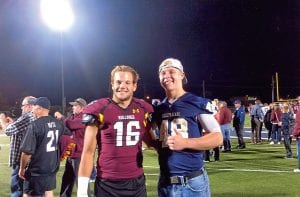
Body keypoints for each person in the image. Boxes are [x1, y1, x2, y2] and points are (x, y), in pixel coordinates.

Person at [77, 65, 154, 197]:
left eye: (127, 82)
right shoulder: (100, 109)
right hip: (107, 184)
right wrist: (82, 190)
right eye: (118, 82)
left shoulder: (144, 109)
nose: (122, 86)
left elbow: (151, 142)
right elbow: (88, 152)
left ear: (134, 86)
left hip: (136, 182)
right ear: (112, 84)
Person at [152, 58, 223, 197]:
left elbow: (217, 137)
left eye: (171, 71)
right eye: (163, 73)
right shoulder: (159, 109)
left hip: (192, 182)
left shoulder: (197, 102)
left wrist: (185, 143)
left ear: (182, 75)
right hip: (165, 183)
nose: (166, 76)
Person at [18, 97, 67, 197]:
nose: (32, 110)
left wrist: (22, 168)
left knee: (28, 193)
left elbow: (27, 152)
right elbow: (66, 140)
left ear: (40, 108)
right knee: (48, 191)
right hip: (51, 166)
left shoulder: (35, 125)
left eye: (34, 107)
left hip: (37, 168)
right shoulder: (58, 123)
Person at [0, 96, 36, 197]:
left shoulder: (28, 116)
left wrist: (2, 120)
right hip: (31, 160)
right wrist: (12, 123)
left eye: (23, 105)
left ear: (29, 106)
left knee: (17, 190)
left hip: (21, 160)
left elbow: (8, 131)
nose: (21, 108)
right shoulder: (34, 117)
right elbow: (18, 130)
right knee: (28, 191)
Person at [56, 98, 88, 197]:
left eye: (75, 105)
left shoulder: (84, 117)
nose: (73, 107)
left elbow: (70, 124)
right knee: (67, 178)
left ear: (82, 107)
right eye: (73, 105)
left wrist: (62, 117)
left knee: (81, 182)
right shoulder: (74, 116)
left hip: (79, 155)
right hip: (71, 153)